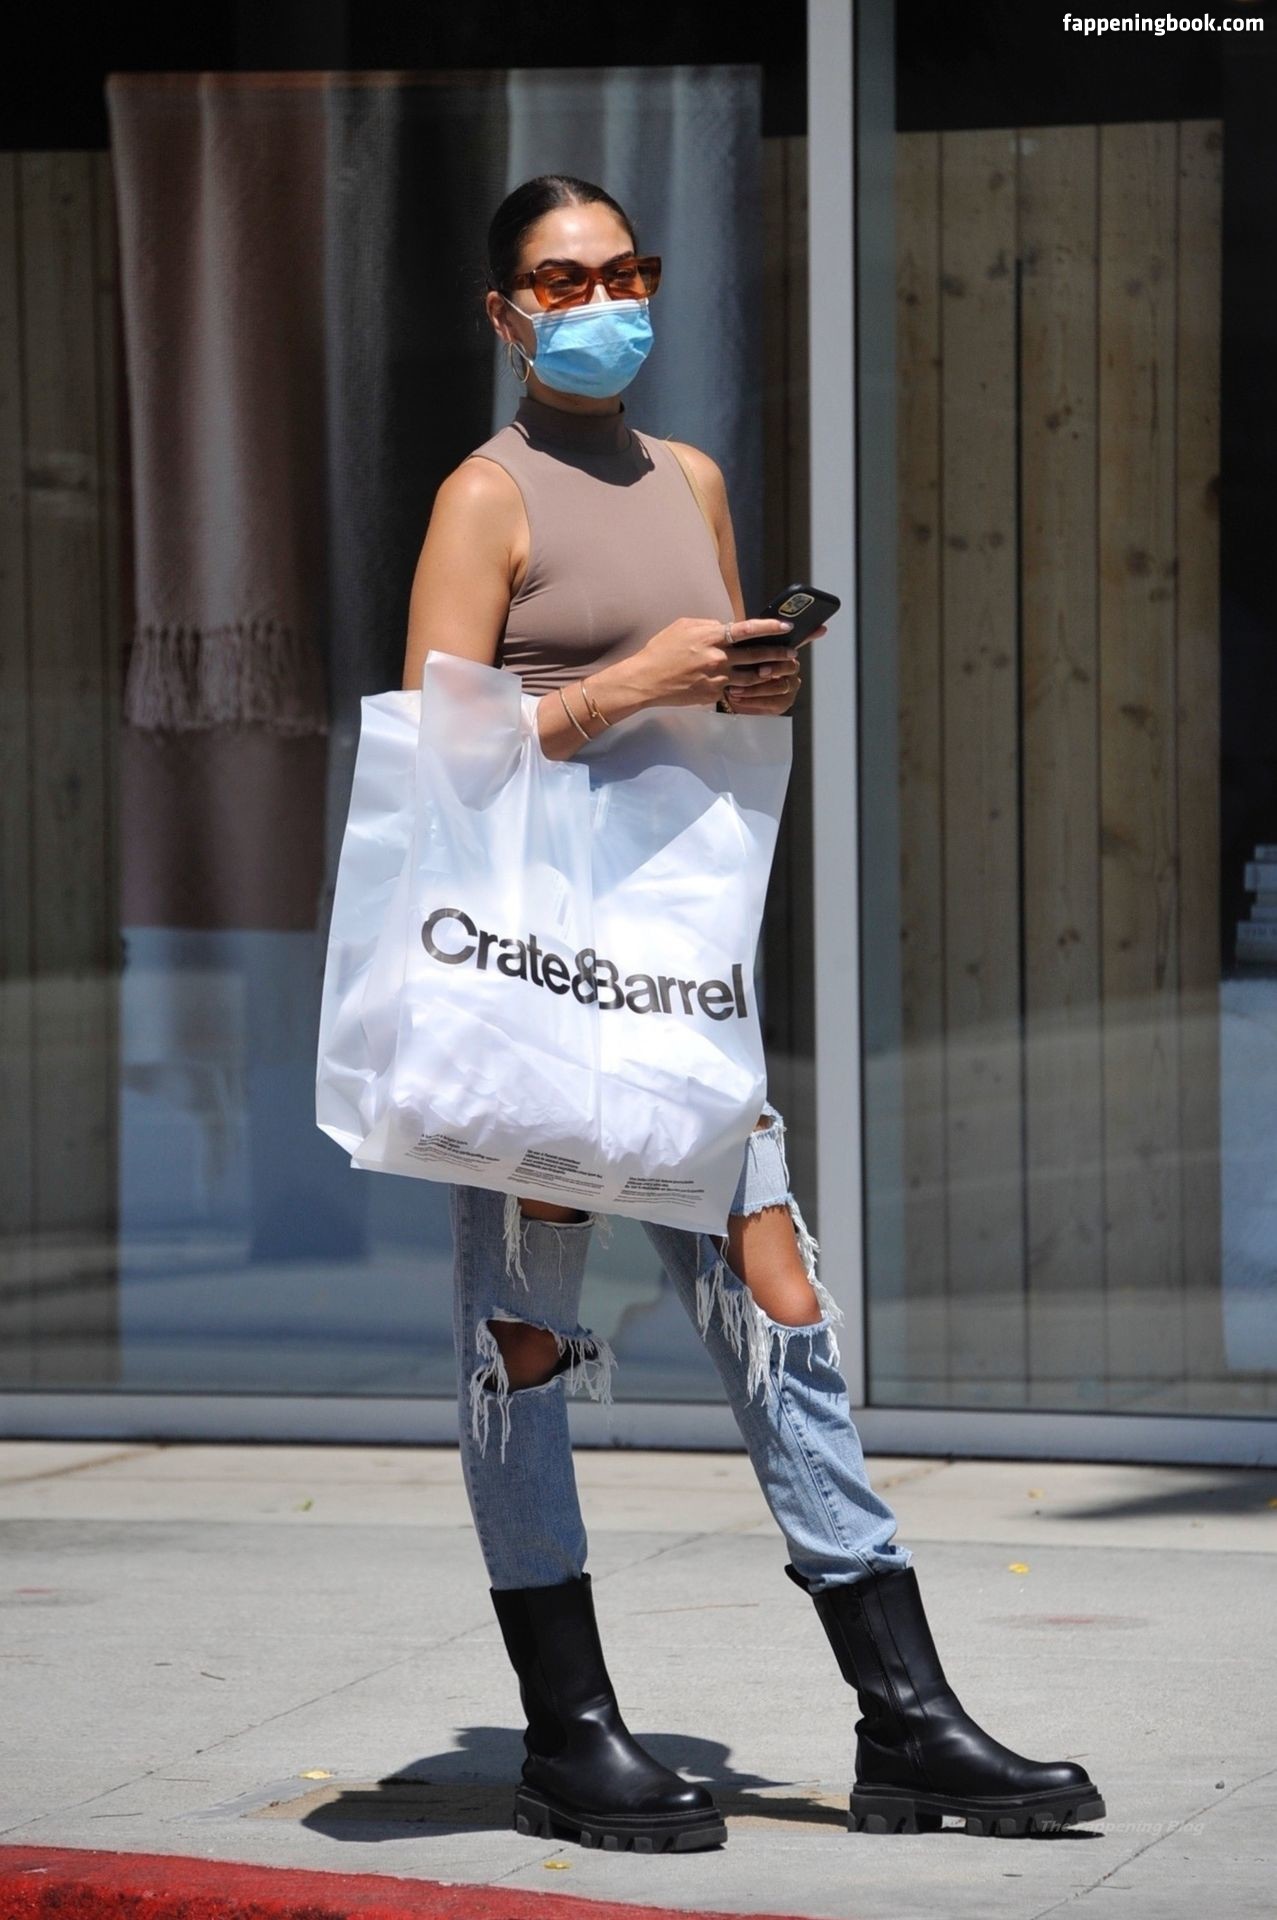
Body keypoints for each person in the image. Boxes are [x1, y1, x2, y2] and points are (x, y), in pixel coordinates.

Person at [401, 173, 1104, 1854]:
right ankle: (569, 1735)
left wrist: (749, 679)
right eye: (562, 280)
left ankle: (905, 1720)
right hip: (533, 982)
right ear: (503, 314)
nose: (602, 303)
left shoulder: (691, 477)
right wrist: (622, 686)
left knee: (781, 1302)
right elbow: (435, 750)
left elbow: (712, 714)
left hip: (672, 976)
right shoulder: (483, 496)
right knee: (522, 1342)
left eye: (624, 271)